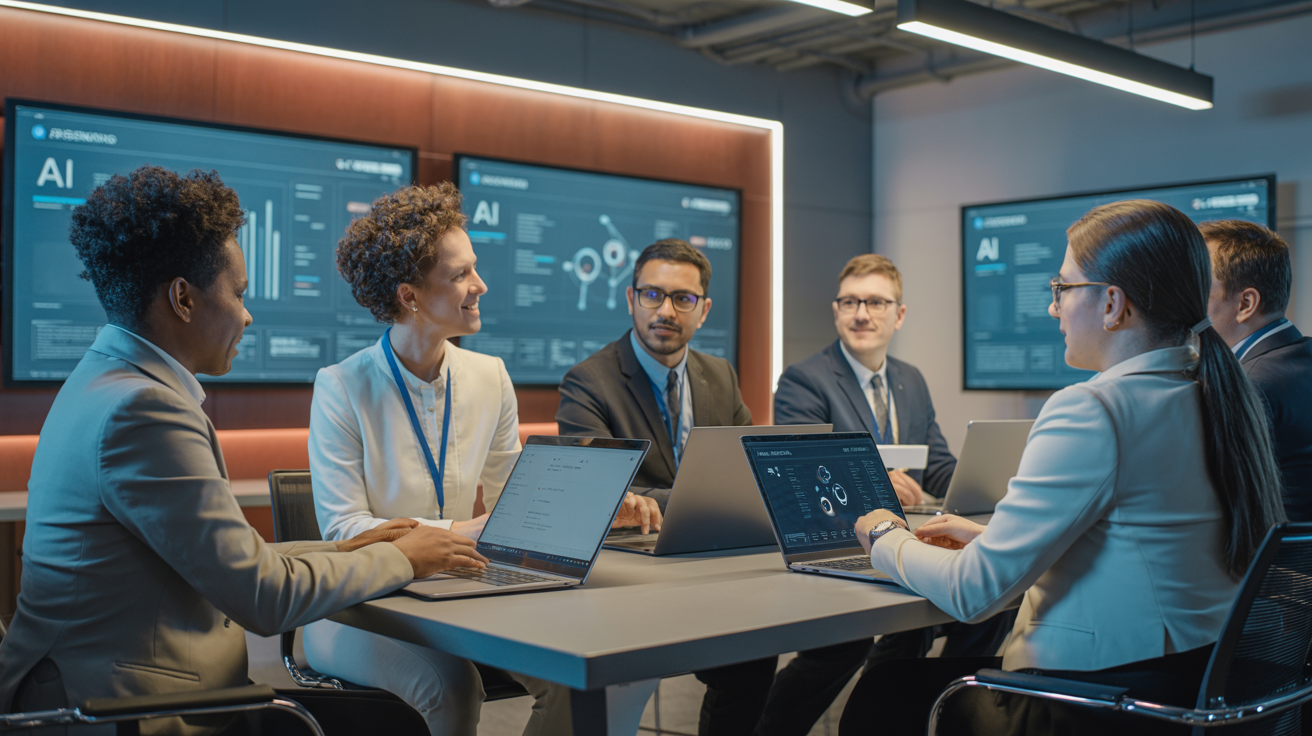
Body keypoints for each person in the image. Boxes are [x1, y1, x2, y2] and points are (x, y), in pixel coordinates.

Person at [0, 166, 485, 732]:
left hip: (102, 689)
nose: (248, 314)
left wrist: (355, 548)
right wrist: (406, 558)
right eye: (238, 293)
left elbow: (235, 560)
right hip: (127, 710)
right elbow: (262, 597)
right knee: (398, 724)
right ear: (183, 298)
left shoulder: (102, 381)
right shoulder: (143, 412)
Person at [843, 200, 1286, 736]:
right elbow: (1146, 540)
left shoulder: (1094, 408)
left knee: (882, 693)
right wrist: (992, 538)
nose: (1054, 308)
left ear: (1112, 304)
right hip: (1188, 691)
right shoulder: (1214, 394)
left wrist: (885, 536)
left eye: (1063, 288)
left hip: (1094, 703)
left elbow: (973, 592)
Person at [307, 183, 660, 736]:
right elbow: (343, 529)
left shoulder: (489, 375)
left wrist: (592, 510)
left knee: (603, 672)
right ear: (409, 295)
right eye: (461, 275)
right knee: (451, 687)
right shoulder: (341, 386)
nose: (481, 285)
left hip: (464, 587)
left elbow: (512, 501)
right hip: (362, 603)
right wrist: (459, 532)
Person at [766, 254, 1011, 736]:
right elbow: (802, 477)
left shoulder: (910, 379)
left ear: (898, 315)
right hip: (843, 542)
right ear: (836, 311)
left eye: (876, 302)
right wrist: (879, 483)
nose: (862, 314)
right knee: (856, 642)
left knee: (992, 605)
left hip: (908, 539)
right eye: (850, 302)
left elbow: (937, 464)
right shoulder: (804, 379)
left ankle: (937, 708)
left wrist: (992, 486)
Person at [555, 238, 776, 736]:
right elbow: (599, 493)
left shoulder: (720, 375)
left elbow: (750, 473)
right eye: (652, 294)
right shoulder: (588, 382)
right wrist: (711, 502)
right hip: (627, 578)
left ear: (704, 310)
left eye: (683, 298)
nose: (666, 310)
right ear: (630, 298)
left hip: (713, 568)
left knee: (757, 653)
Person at [1201, 220, 1312, 522]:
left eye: (1197, 290)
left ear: (1246, 304)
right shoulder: (1299, 357)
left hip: (1268, 552)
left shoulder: (1248, 386)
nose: (1183, 306)